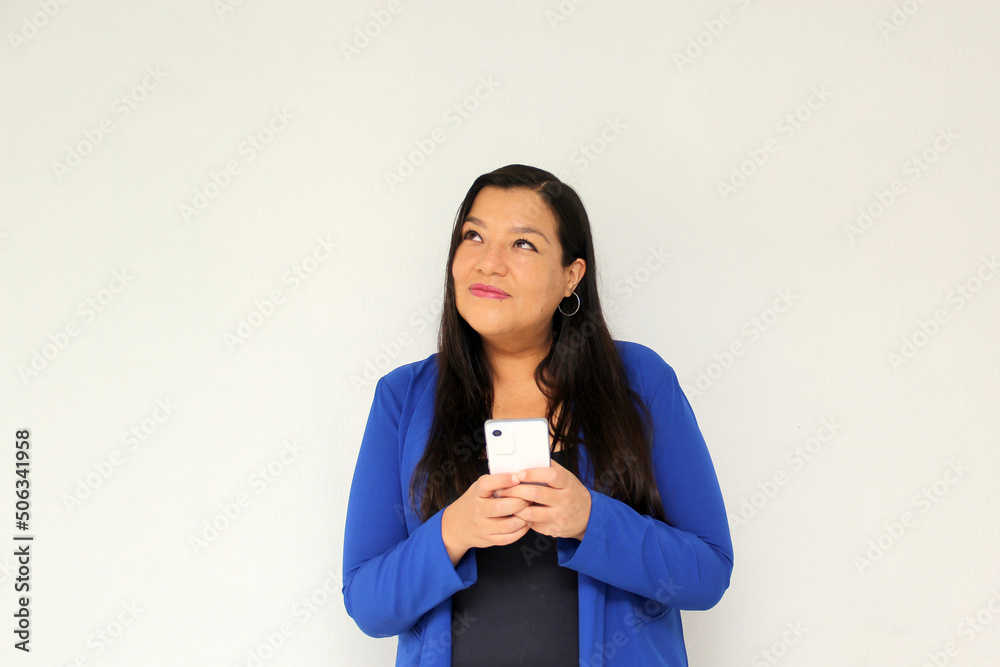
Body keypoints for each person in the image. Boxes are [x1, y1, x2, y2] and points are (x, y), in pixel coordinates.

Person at [342, 164, 733, 666]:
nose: (489, 263)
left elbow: (708, 573)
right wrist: (452, 532)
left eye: (523, 244)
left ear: (571, 276)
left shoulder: (640, 381)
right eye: (474, 236)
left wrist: (591, 521)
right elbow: (368, 605)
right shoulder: (403, 397)